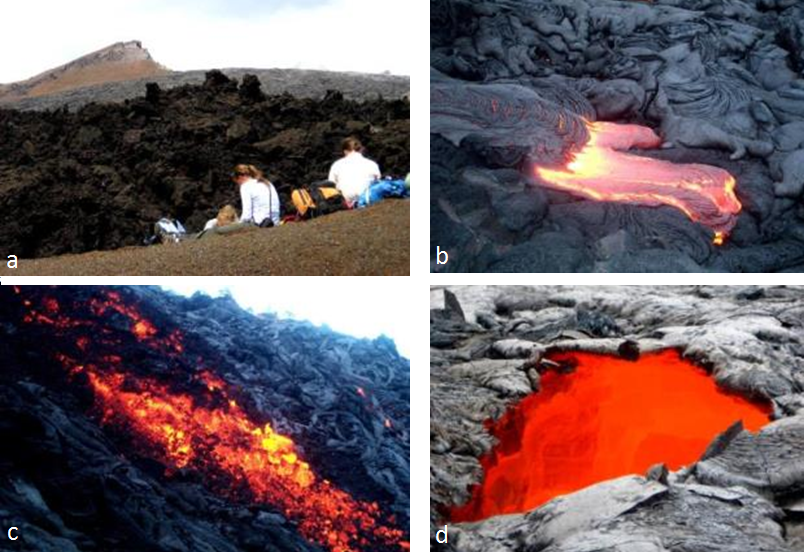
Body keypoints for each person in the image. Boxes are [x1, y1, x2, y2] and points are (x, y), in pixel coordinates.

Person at [328, 137, 381, 207]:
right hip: (367, 199)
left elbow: (331, 185)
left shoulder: (336, 165)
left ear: (345, 151)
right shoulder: (372, 164)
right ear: (361, 149)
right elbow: (378, 181)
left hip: (345, 202)